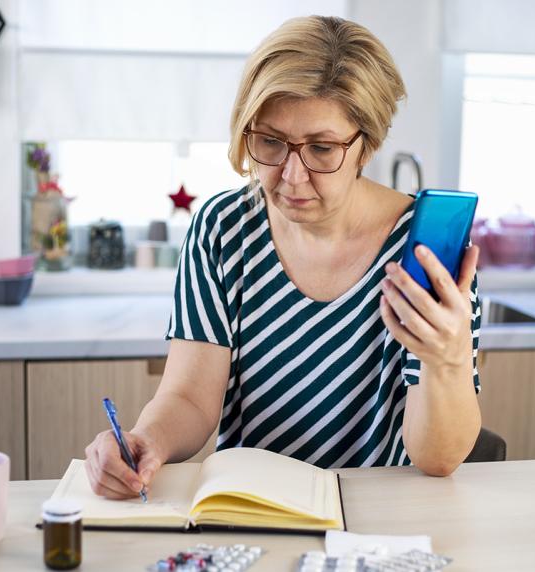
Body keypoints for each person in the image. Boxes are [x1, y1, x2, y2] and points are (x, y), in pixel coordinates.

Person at [85, 15, 482, 500]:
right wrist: (148, 440)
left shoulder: (425, 255)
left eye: (321, 148)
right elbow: (189, 397)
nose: (292, 176)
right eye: (271, 142)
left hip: (382, 519)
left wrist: (449, 358)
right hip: (251, 508)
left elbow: (438, 459)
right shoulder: (222, 228)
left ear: (368, 146)